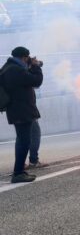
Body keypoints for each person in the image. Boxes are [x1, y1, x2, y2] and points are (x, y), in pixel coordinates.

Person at [1, 47, 44, 183]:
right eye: (28, 58)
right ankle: (18, 173)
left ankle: (19, 171)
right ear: (24, 57)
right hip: (21, 110)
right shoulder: (15, 70)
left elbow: (25, 81)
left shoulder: (9, 68)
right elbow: (36, 81)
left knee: (22, 140)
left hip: (18, 110)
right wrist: (36, 67)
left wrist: (30, 67)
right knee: (24, 141)